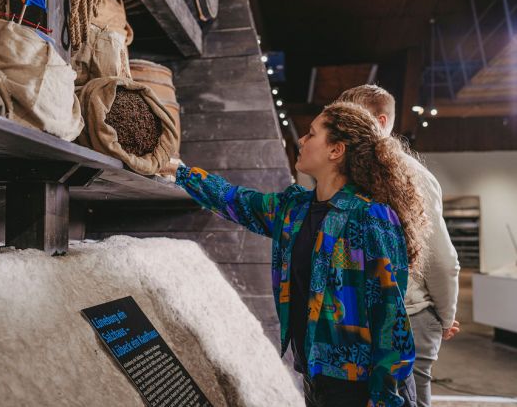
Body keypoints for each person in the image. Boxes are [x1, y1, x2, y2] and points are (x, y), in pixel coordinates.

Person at [164, 102, 427, 407]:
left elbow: (391, 317)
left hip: (359, 385)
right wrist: (181, 173)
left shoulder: (371, 216)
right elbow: (238, 202)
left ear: (335, 150)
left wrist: (383, 398)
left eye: (312, 134)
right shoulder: (295, 209)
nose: (301, 140)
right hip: (315, 375)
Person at [337, 84, 461, 407]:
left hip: (410, 317)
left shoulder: (412, 176)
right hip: (362, 321)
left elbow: (442, 261)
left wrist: (445, 318)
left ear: (380, 122)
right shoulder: (346, 174)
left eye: (354, 117)